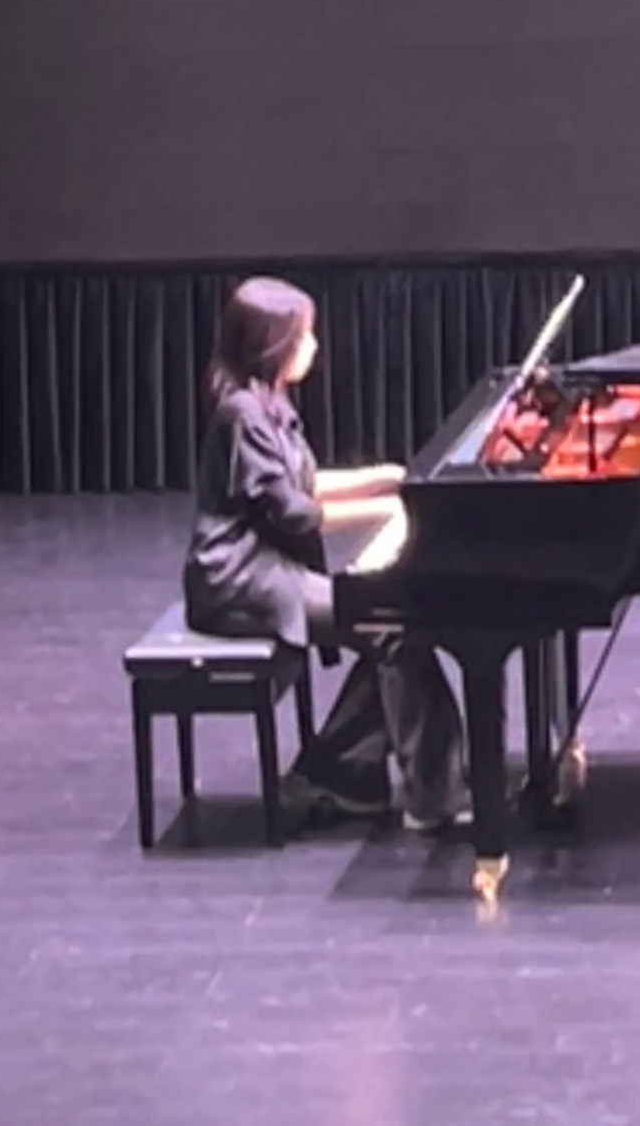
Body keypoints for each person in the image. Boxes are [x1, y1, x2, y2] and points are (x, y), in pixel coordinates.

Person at [183, 275, 468, 830]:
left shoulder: (270, 403)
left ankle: (339, 773)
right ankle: (431, 800)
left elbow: (306, 482)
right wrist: (385, 512)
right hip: (237, 577)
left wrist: (385, 479)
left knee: (386, 623)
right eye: (304, 335)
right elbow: (289, 511)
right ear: (273, 343)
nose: (313, 345)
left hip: (265, 566)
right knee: (392, 624)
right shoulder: (242, 413)